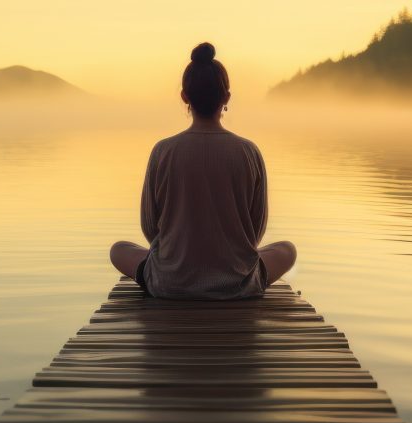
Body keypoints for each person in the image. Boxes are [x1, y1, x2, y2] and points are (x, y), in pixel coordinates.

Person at [110, 42, 297, 299]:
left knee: (119, 250)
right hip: (237, 284)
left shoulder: (163, 151)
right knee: (287, 250)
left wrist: (179, 253)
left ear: (184, 97)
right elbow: (255, 231)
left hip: (170, 283)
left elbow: (150, 227)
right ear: (226, 98)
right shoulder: (249, 152)